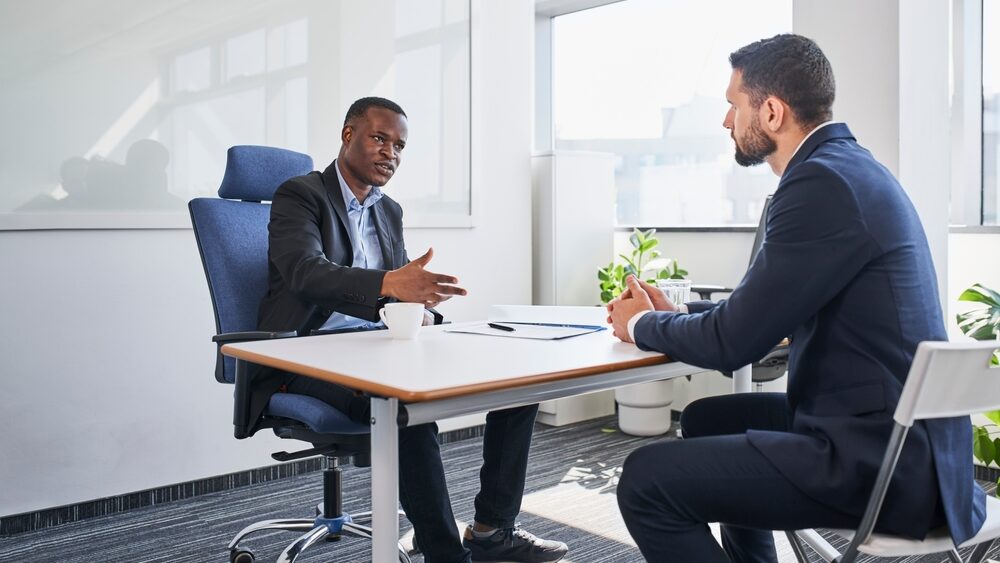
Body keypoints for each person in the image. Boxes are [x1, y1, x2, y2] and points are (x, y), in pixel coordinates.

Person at [606, 34, 986, 563]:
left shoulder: (821, 184)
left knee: (645, 482)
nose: (725, 122)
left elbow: (732, 345)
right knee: (707, 419)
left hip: (881, 465)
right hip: (899, 438)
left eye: (733, 105)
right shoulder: (849, 169)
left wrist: (643, 324)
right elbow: (759, 312)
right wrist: (678, 315)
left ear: (770, 111)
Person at [255, 97, 568, 563]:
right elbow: (306, 273)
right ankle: (445, 554)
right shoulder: (301, 195)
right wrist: (389, 284)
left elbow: (393, 291)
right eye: (379, 139)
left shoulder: (388, 210)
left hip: (376, 344)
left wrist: (420, 306)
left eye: (399, 146)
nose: (390, 154)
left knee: (518, 383)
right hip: (303, 355)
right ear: (348, 136)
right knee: (402, 407)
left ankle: (490, 530)